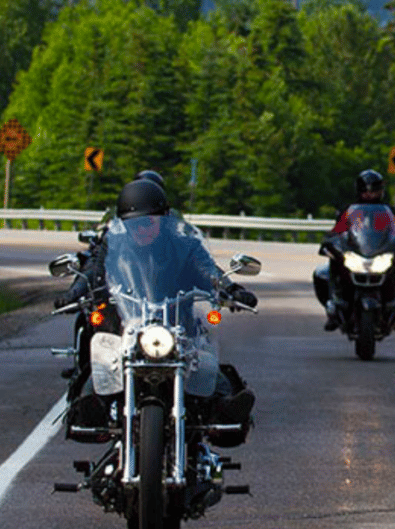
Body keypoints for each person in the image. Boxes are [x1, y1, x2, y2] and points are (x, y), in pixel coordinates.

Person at [55, 179, 257, 435]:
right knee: (103, 364)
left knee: (204, 362)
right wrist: (74, 293)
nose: (141, 229)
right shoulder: (113, 246)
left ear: (163, 219)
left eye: (148, 222)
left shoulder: (183, 245)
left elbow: (207, 270)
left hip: (176, 324)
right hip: (126, 325)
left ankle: (224, 407)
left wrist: (230, 289)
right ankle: (90, 408)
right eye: (134, 224)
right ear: (124, 224)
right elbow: (93, 268)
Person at [320, 169, 395, 331]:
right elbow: (337, 231)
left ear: (381, 191)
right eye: (366, 190)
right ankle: (334, 312)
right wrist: (331, 242)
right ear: (359, 190)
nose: (370, 194)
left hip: (380, 255)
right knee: (321, 275)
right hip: (357, 254)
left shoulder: (390, 212)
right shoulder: (348, 211)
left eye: (374, 190)